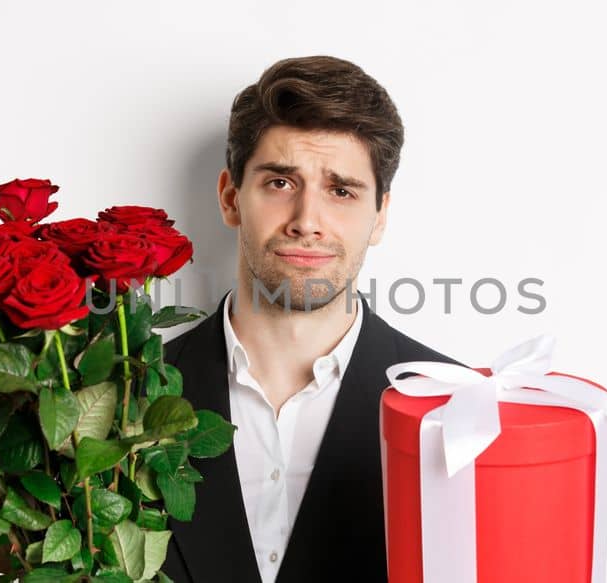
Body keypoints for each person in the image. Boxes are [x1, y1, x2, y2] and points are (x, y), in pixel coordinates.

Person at [159, 55, 463, 583]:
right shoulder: (125, 393)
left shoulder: (459, 412)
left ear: (380, 216)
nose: (307, 221)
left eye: (341, 191)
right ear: (231, 198)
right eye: (280, 183)